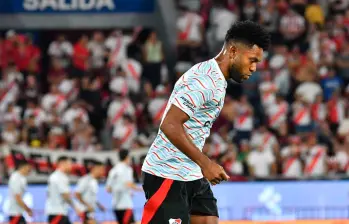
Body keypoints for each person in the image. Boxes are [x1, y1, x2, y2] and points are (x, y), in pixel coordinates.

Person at [141, 21, 270, 224]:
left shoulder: (217, 79)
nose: (254, 68)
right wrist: (206, 164)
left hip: (191, 173)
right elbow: (170, 125)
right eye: (252, 60)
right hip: (167, 172)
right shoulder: (204, 81)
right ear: (234, 51)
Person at [106, 150, 141, 224]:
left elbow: (108, 189)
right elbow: (128, 184)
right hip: (125, 204)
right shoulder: (127, 169)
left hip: (115, 205)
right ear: (127, 157)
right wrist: (143, 189)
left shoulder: (113, 170)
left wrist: (120, 190)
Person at [45, 156, 80, 224]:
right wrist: (76, 207)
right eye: (69, 164)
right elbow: (65, 195)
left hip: (56, 212)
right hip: (58, 213)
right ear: (62, 163)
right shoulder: (60, 177)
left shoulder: (54, 176)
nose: (71, 167)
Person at [7, 160, 33, 224]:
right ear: (23, 167)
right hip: (15, 213)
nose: (30, 171)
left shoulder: (22, 178)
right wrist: (28, 209)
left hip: (18, 213)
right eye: (29, 168)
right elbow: (17, 197)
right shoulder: (16, 178)